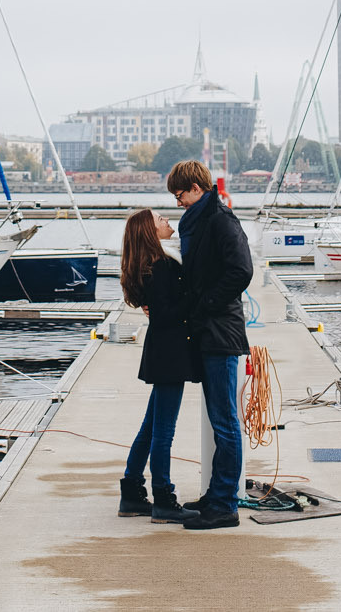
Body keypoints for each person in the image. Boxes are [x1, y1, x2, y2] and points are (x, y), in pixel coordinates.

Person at [169, 158, 252, 530]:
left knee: (224, 421)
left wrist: (206, 305)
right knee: (219, 419)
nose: (177, 202)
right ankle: (215, 496)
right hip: (209, 329)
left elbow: (241, 271)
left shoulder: (220, 219)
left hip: (220, 330)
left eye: (180, 193)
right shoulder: (201, 219)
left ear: (196, 188)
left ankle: (224, 504)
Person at [116, 208, 202, 523]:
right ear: (150, 233)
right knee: (163, 430)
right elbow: (168, 313)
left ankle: (132, 492)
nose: (166, 220)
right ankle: (164, 499)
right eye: (159, 219)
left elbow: (160, 310)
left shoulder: (151, 265)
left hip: (163, 351)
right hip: (171, 352)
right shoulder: (161, 266)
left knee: (151, 426)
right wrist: (195, 296)